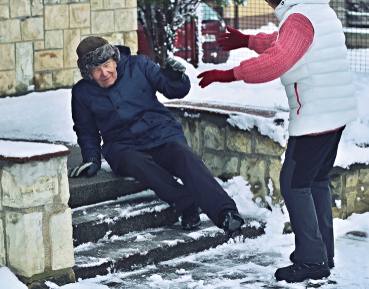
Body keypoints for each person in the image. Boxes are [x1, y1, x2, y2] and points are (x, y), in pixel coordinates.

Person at [197, 0, 358, 283]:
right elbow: (286, 43)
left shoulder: (298, 17)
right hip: (334, 113)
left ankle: (312, 261)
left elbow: (279, 59)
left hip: (316, 116)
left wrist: (228, 74)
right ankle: (322, 252)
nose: (266, 2)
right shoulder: (317, 8)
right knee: (315, 181)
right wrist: (247, 41)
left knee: (295, 182)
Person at [68, 36, 245, 239]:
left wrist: (175, 79)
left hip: (160, 132)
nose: (104, 73)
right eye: (96, 70)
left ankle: (226, 213)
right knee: (137, 164)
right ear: (88, 74)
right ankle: (187, 203)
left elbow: (173, 91)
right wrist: (91, 158)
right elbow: (86, 130)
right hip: (122, 146)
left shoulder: (140, 65)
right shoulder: (82, 93)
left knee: (185, 157)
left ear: (114, 59)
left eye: (107, 65)